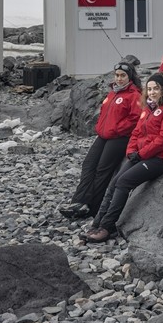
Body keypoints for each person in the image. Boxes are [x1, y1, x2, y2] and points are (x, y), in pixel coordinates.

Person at [83, 72, 163, 243]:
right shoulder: (148, 110)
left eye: (156, 89)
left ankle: (108, 226)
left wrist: (141, 154)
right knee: (114, 182)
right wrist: (131, 152)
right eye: (149, 89)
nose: (152, 92)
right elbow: (136, 132)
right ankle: (97, 223)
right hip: (140, 156)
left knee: (124, 182)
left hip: (158, 159)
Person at [60, 61, 143, 220]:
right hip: (104, 136)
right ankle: (79, 202)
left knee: (102, 170)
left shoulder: (134, 95)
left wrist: (117, 129)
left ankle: (93, 207)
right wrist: (101, 127)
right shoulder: (113, 93)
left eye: (123, 76)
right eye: (117, 75)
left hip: (119, 138)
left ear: (130, 77)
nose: (119, 79)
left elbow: (135, 119)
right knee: (88, 164)